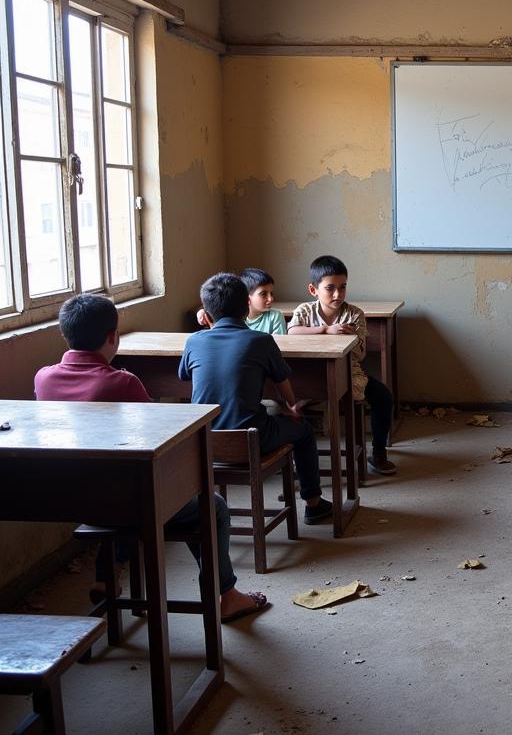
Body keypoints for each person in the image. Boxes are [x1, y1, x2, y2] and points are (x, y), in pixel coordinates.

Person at [34, 293, 268, 622]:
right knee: (210, 506)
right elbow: (162, 436)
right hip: (125, 503)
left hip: (78, 504)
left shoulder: (43, 378)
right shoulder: (122, 382)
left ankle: (106, 576)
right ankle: (225, 594)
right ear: (113, 336)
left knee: (107, 484)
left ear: (65, 333)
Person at [181, 272, 334, 525]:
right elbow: (282, 384)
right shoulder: (260, 340)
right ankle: (313, 504)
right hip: (251, 438)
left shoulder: (194, 341)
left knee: (262, 415)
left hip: (204, 441)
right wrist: (291, 407)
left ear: (206, 316)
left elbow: (185, 376)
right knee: (304, 430)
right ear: (246, 307)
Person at [287, 255, 396, 475]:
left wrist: (352, 338)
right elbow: (292, 331)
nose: (338, 294)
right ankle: (300, 460)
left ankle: (378, 453)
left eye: (343, 287)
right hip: (310, 374)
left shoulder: (354, 314)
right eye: (330, 288)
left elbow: (360, 354)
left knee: (383, 396)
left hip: (348, 371)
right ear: (313, 290)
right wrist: (326, 330)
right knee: (293, 398)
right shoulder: (304, 311)